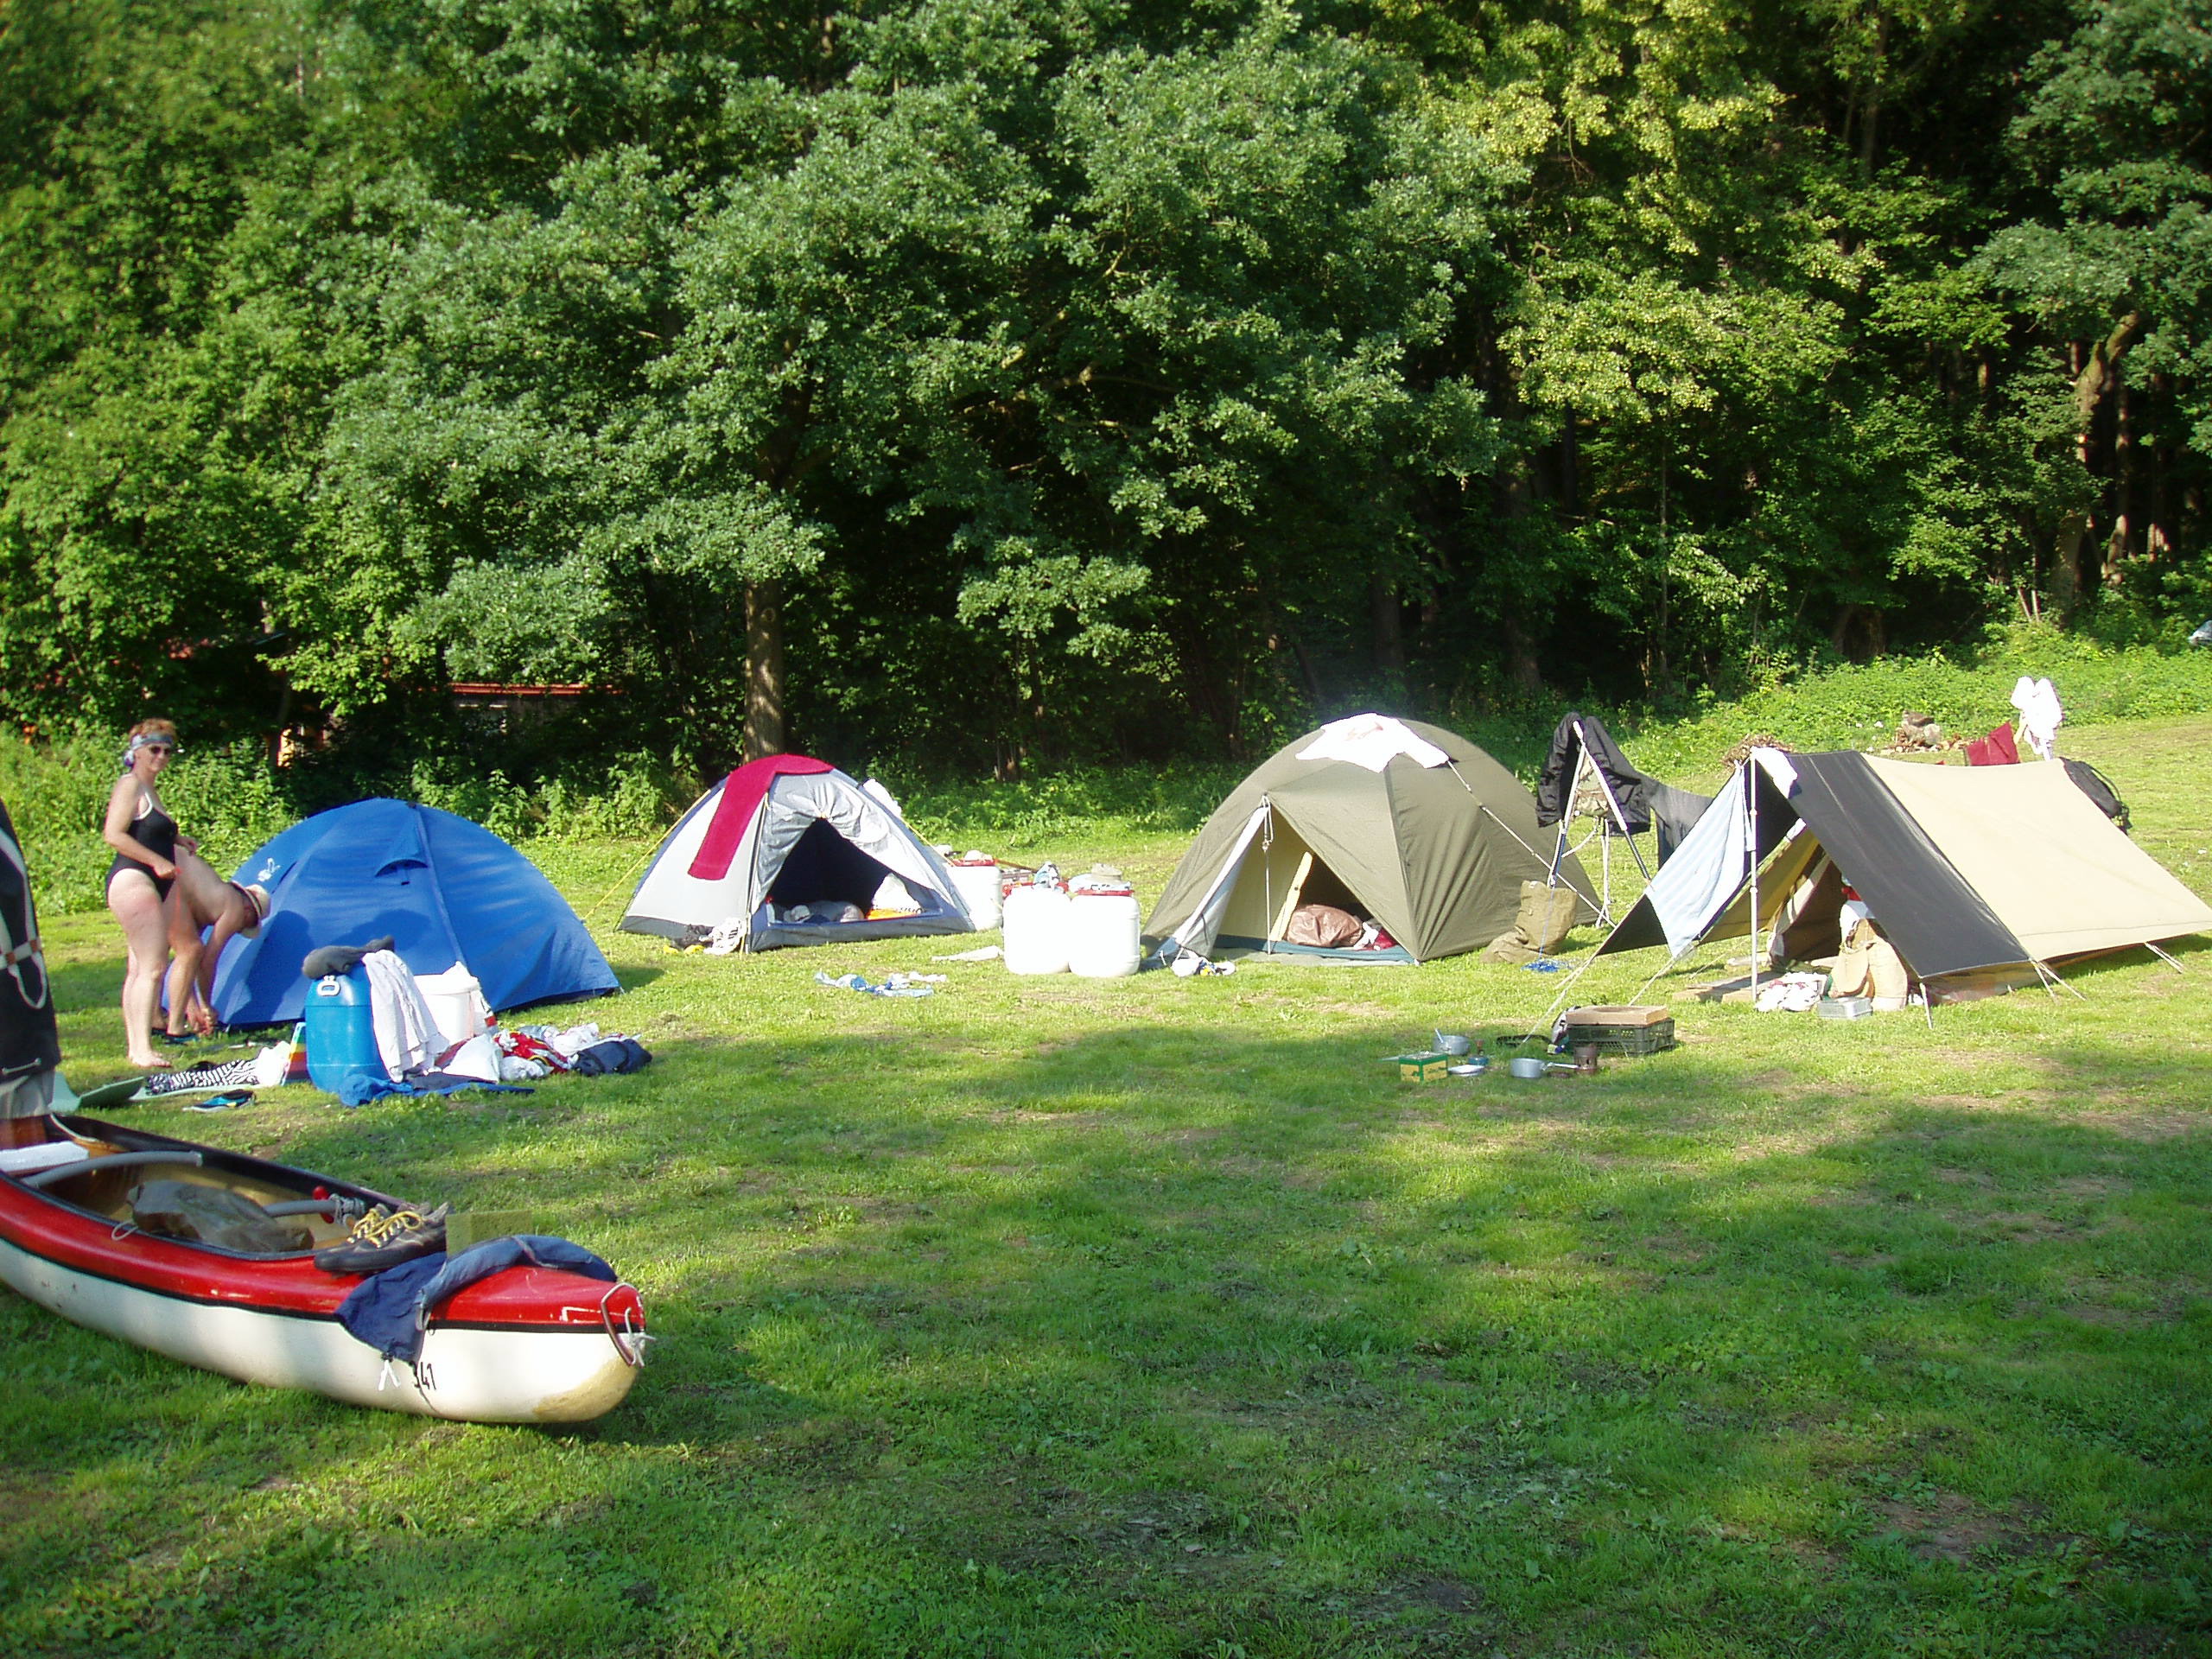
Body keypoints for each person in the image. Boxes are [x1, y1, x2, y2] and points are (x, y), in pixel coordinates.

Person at [103, 719, 191, 1069]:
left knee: (139, 966)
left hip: (155, 882)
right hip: (133, 880)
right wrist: (156, 861)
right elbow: (114, 834)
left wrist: (176, 839)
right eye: (154, 749)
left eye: (168, 751)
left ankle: (137, 1045)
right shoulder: (130, 784)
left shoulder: (150, 790)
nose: (161, 756)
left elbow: (146, 829)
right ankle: (141, 1049)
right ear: (136, 751)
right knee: (153, 966)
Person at [165, 847, 270, 1035]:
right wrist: (206, 1005)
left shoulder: (204, 905)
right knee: (190, 952)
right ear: (249, 911)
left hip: (159, 878)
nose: (239, 929)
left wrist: (192, 1008)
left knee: (163, 959)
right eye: (248, 924)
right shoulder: (235, 907)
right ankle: (174, 1026)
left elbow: (187, 963)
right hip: (169, 876)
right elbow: (208, 961)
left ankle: (161, 1020)